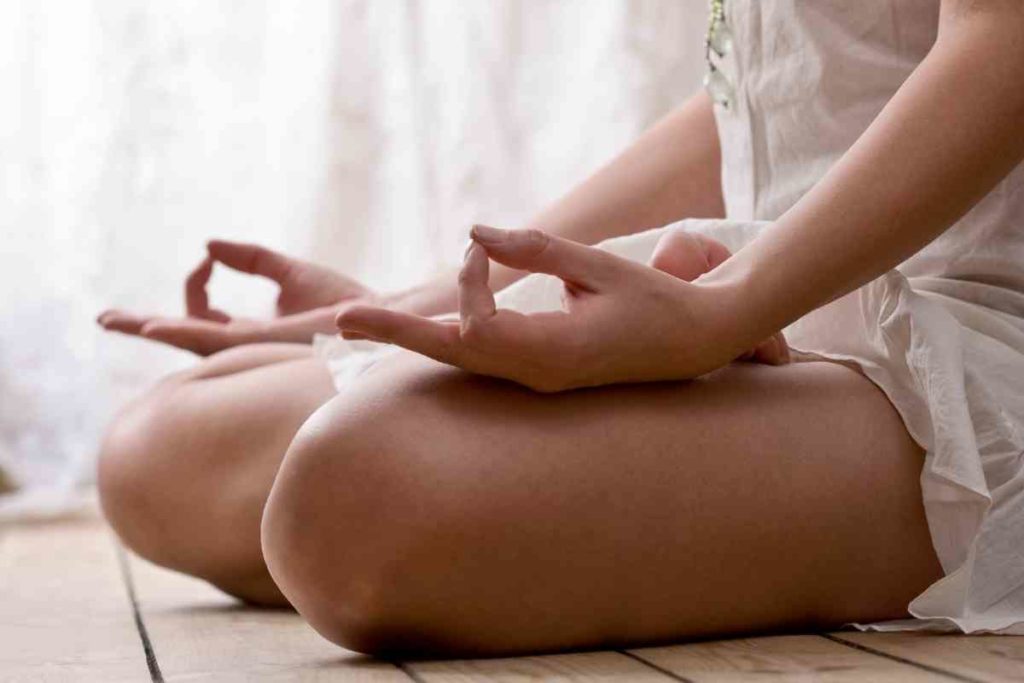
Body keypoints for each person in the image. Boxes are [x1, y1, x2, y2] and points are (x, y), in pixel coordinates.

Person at [96, 0, 1024, 657]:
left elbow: (1003, 41)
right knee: (158, 452)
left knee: (356, 496)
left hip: (974, 330)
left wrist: (725, 312)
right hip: (777, 278)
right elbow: (757, 95)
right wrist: (410, 308)